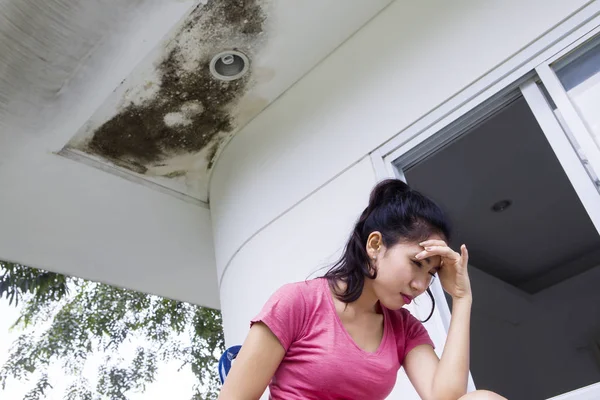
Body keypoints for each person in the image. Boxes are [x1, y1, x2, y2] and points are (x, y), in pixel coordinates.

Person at [218, 179, 506, 400]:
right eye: (417, 264)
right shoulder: (298, 302)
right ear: (375, 245)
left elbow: (447, 398)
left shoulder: (404, 329)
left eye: (431, 272)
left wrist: (461, 297)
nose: (421, 285)